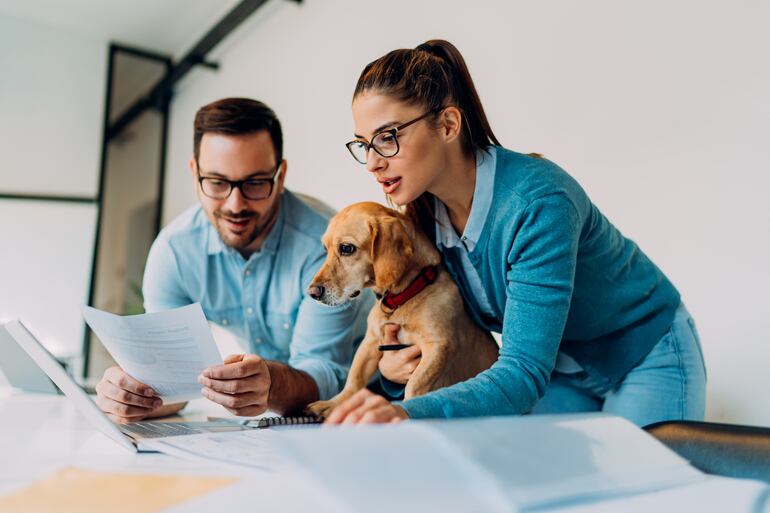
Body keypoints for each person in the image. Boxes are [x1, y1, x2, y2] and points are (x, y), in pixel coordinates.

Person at [325, 40, 706, 427]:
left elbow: (522, 372)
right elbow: (429, 331)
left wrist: (404, 412)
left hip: (642, 352)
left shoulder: (538, 202)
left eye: (388, 137)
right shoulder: (422, 220)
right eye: (363, 144)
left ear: (448, 125)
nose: (373, 162)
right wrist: (392, 373)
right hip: (559, 370)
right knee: (520, 475)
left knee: (642, 485)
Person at [95, 97, 373, 423]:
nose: (235, 205)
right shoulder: (174, 252)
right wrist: (136, 396)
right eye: (216, 182)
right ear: (194, 172)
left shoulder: (326, 245)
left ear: (280, 176)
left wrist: (270, 385)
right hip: (274, 423)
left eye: (255, 183)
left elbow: (326, 377)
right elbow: (171, 384)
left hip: (369, 402)